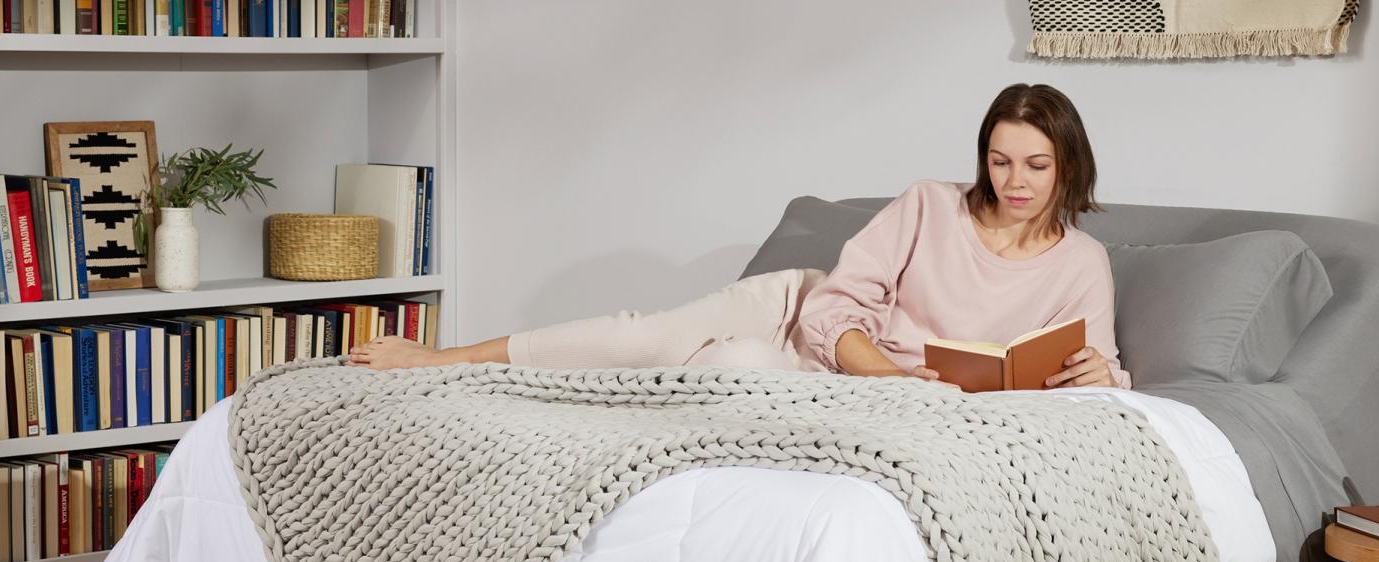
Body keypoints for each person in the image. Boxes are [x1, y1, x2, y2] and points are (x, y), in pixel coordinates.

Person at [350, 83, 1131, 390]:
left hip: (847, 385)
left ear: (1069, 166)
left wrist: (1101, 376)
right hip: (800, 314)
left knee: (734, 370)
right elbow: (831, 314)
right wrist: (889, 379)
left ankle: (608, 398)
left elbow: (1101, 372)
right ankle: (440, 360)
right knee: (643, 336)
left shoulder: (1082, 262)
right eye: (999, 161)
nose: (1015, 181)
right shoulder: (930, 203)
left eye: (1035, 164)